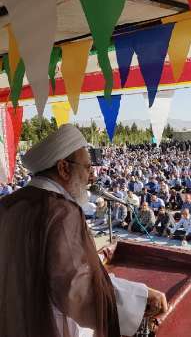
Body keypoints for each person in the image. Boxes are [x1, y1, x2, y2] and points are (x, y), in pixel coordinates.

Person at [0, 125, 167, 337]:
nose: (92, 177)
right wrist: (140, 300)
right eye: (87, 167)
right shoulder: (60, 211)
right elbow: (76, 290)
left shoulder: (7, 204)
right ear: (64, 168)